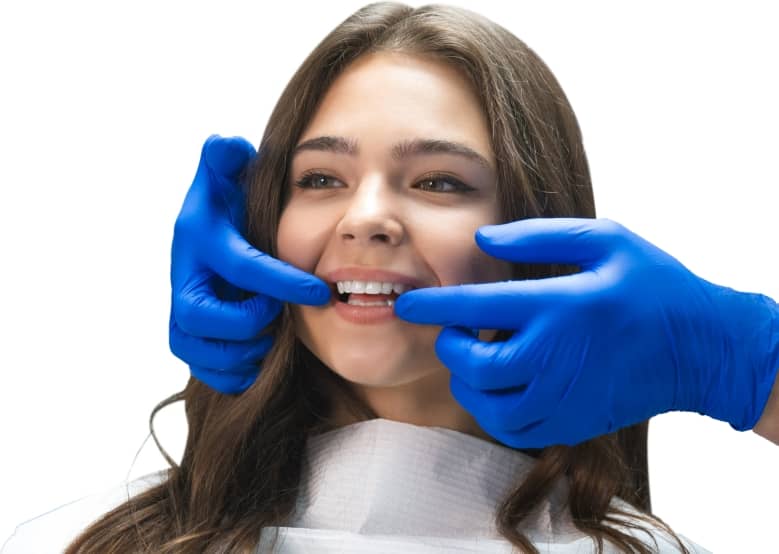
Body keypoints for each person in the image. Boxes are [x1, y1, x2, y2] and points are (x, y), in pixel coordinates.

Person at [5, 2, 771, 552]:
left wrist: (742, 360)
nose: (365, 217)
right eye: (319, 179)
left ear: (541, 232)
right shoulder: (76, 543)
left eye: (439, 181)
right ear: (258, 229)